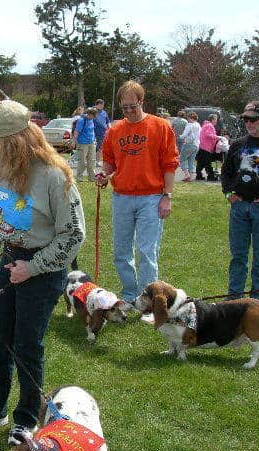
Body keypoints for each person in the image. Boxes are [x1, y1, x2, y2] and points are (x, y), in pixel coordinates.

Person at [0, 100, 85, 446]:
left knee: (28, 346)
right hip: (11, 266)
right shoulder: (3, 170)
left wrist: (33, 267)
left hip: (42, 271)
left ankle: (26, 419)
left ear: (13, 140)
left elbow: (74, 235)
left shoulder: (55, 177)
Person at [97, 80, 178, 321]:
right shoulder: (115, 130)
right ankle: (132, 296)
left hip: (151, 197)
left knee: (146, 251)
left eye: (133, 106)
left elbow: (170, 163)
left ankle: (151, 303)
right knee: (121, 251)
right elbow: (109, 160)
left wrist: (167, 196)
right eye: (124, 108)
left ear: (142, 102)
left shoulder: (160, 127)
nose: (129, 111)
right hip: (122, 197)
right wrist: (104, 174)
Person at [221, 101, 259, 300]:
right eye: (246, 119)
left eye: (253, 119)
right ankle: (234, 300)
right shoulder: (238, 144)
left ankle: (257, 302)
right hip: (239, 208)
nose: (249, 123)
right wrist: (228, 194)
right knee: (238, 256)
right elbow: (226, 173)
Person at [73, 107, 97, 182]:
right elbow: (76, 131)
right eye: (92, 116)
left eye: (94, 116)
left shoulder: (91, 120)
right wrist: (73, 141)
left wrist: (94, 139)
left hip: (91, 143)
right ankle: (79, 178)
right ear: (89, 114)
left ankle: (92, 178)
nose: (93, 117)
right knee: (82, 161)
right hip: (82, 143)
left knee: (92, 161)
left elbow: (92, 130)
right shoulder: (81, 120)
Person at [195, 114, 219, 181]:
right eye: (216, 119)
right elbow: (208, 134)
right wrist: (218, 137)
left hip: (203, 146)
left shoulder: (205, 125)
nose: (216, 121)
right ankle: (211, 176)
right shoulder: (209, 126)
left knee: (200, 163)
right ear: (212, 119)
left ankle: (199, 175)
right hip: (206, 147)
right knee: (207, 163)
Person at [178, 111, 200, 182]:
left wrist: (179, 136)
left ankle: (186, 174)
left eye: (188, 118)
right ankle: (191, 176)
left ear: (190, 118)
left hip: (189, 144)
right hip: (196, 145)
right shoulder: (198, 125)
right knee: (191, 161)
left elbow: (184, 135)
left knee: (182, 159)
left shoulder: (189, 125)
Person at [93, 99, 111, 164]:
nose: (103, 106)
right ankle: (90, 160)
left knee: (100, 147)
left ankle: (97, 161)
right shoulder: (93, 111)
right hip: (93, 133)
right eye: (101, 105)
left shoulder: (104, 112)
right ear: (97, 105)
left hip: (102, 133)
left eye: (103, 105)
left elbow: (108, 122)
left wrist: (110, 129)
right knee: (93, 147)